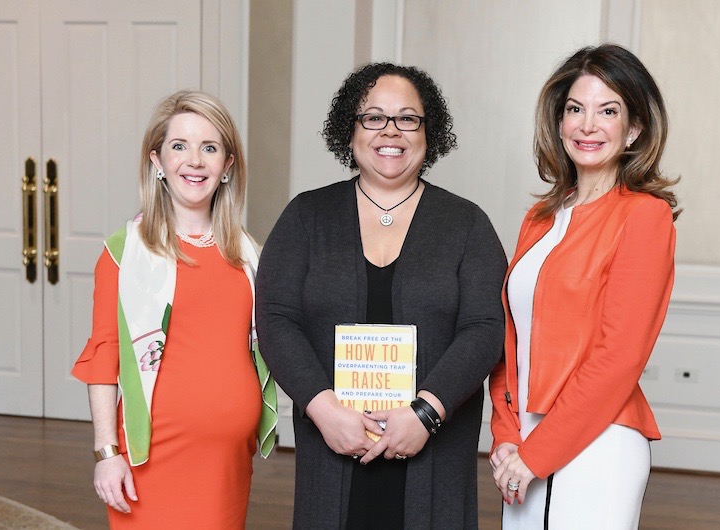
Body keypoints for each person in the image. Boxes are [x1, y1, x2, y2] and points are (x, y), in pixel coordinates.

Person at [256, 62, 506, 529]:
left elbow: (485, 329)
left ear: (429, 132)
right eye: (373, 117)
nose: (390, 131)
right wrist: (323, 410)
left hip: (434, 448)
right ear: (349, 131)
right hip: (332, 443)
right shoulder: (306, 217)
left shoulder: (467, 224)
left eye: (407, 118)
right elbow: (275, 318)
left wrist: (425, 414)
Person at [488, 43, 679, 528]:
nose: (587, 125)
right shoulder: (540, 217)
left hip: (600, 445)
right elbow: (510, 336)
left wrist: (537, 454)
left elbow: (618, 357)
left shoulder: (644, 216)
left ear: (634, 128)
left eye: (607, 110)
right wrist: (506, 432)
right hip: (524, 447)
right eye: (575, 109)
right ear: (558, 121)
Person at [72, 90, 276, 529]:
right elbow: (103, 357)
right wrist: (107, 453)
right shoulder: (124, 253)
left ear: (228, 166)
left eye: (210, 147)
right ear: (157, 162)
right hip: (154, 460)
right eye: (179, 146)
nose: (195, 161)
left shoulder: (249, 255)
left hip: (227, 463)